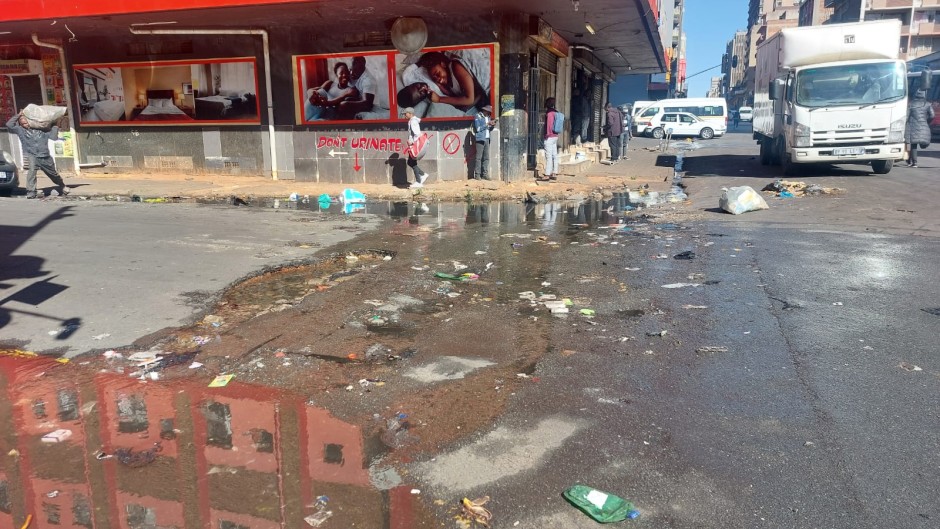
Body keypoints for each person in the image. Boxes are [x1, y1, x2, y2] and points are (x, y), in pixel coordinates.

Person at [6, 112, 68, 199]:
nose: (25, 125)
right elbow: (9, 125)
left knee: (53, 174)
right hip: (32, 155)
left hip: (44, 156)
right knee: (31, 173)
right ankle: (31, 191)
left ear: (31, 122)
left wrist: (56, 125)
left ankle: (62, 185)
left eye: (26, 122)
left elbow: (53, 137)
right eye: (22, 123)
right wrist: (18, 115)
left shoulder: (41, 130)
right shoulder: (20, 130)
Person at [413, 50, 489, 112]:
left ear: (443, 65)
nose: (438, 79)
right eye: (434, 78)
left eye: (437, 73)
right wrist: (440, 87)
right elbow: (456, 97)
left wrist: (439, 99)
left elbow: (469, 99)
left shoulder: (456, 67)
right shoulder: (448, 83)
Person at [904, 88, 934, 168]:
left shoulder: (911, 104)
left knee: (913, 145)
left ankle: (914, 162)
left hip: (912, 126)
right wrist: (926, 121)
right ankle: (910, 161)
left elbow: (907, 116)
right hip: (924, 125)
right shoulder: (927, 104)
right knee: (922, 142)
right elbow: (932, 115)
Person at [403, 107, 429, 187]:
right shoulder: (412, 120)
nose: (404, 115)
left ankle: (419, 181)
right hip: (414, 144)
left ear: (410, 113)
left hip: (414, 144)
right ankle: (422, 175)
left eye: (405, 113)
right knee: (411, 162)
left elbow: (417, 134)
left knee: (412, 162)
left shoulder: (413, 121)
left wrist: (412, 142)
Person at [471, 104, 497, 180]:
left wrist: (492, 125)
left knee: (486, 158)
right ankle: (477, 175)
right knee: (478, 158)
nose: (489, 113)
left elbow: (488, 128)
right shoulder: (477, 116)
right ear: (484, 110)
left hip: (487, 138)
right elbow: (478, 128)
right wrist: (487, 124)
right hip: (480, 139)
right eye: (488, 111)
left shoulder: (488, 117)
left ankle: (485, 174)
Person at [540, 97, 560, 182]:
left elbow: (549, 125)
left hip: (550, 137)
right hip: (555, 136)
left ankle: (547, 174)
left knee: (548, 156)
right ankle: (554, 172)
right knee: (554, 155)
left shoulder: (549, 113)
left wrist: (547, 135)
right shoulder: (556, 112)